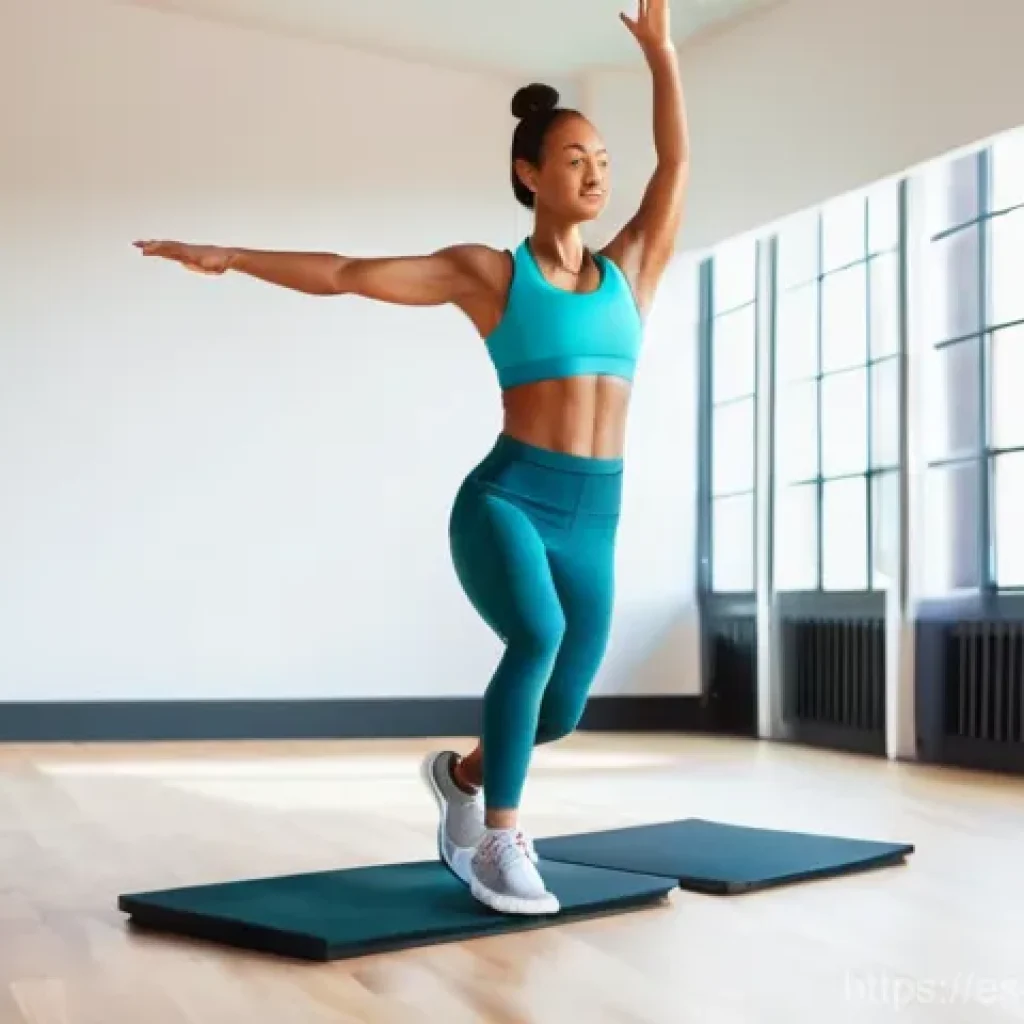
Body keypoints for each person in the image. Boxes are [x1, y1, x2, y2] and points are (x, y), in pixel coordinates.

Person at [134, 0, 688, 917]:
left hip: (596, 516)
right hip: (508, 501)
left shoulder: (632, 268)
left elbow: (676, 165)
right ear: (529, 174)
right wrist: (229, 255)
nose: (595, 173)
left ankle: (461, 779)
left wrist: (662, 55)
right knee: (536, 637)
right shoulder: (490, 274)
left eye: (601, 159)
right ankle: (501, 842)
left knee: (559, 712)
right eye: (573, 159)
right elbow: (347, 273)